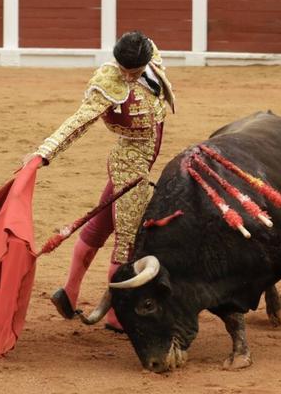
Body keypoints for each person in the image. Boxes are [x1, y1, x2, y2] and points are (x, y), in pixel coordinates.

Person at [24, 32, 175, 330]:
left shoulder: (151, 53)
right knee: (126, 243)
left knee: (100, 226)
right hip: (130, 166)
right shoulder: (108, 83)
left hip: (139, 162)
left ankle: (69, 292)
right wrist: (44, 153)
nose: (129, 77)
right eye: (125, 70)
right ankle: (117, 316)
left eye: (135, 71)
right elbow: (78, 122)